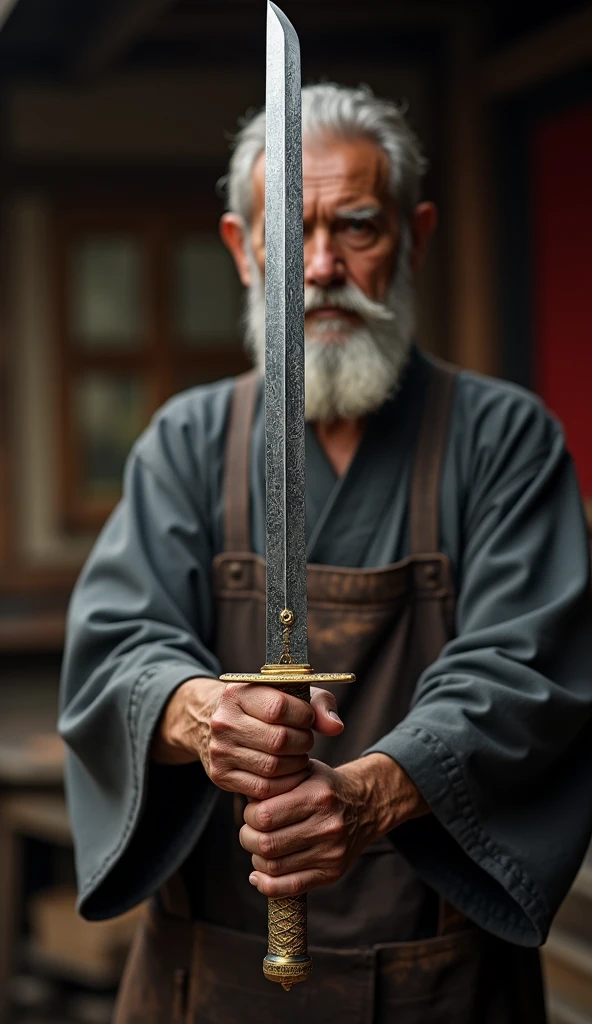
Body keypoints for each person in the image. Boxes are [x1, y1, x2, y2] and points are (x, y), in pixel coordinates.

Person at [59, 84, 592, 1024]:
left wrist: (372, 793)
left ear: (414, 234)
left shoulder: (504, 440)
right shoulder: (187, 441)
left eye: (357, 227)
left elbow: (528, 672)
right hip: (206, 979)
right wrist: (203, 713)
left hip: (444, 979)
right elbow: (119, 646)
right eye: (288, 234)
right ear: (239, 248)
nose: (320, 267)